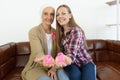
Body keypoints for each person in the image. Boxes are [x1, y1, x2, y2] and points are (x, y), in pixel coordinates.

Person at [21, 6, 69, 80]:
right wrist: (44, 59)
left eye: (52, 14)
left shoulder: (56, 32)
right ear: (41, 15)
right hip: (37, 67)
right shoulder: (34, 32)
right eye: (45, 14)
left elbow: (58, 53)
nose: (49, 17)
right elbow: (38, 52)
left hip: (54, 66)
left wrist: (54, 68)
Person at [55, 4, 96, 80]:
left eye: (63, 13)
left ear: (70, 15)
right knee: (75, 75)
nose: (60, 16)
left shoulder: (76, 30)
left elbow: (71, 53)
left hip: (85, 62)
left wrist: (67, 58)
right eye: (57, 15)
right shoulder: (59, 34)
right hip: (72, 64)